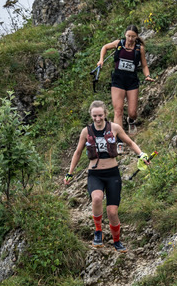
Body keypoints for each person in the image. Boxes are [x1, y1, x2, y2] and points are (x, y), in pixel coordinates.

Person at [64, 100, 149, 251]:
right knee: (96, 198)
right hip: (95, 174)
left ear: (105, 114)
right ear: (91, 115)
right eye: (94, 116)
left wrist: (141, 155)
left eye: (100, 116)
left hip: (112, 174)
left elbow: (129, 143)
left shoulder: (114, 128)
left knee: (112, 212)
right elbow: (77, 152)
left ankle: (117, 240)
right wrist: (70, 173)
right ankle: (98, 232)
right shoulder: (86, 131)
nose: (97, 119)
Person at [97, 26, 153, 133]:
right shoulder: (119, 43)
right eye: (128, 36)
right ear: (125, 34)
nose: (130, 39)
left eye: (133, 36)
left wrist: (147, 76)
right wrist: (101, 60)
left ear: (137, 36)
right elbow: (104, 47)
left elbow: (144, 65)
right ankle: (119, 139)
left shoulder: (139, 48)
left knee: (132, 113)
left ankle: (131, 121)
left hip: (132, 81)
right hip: (118, 80)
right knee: (118, 111)